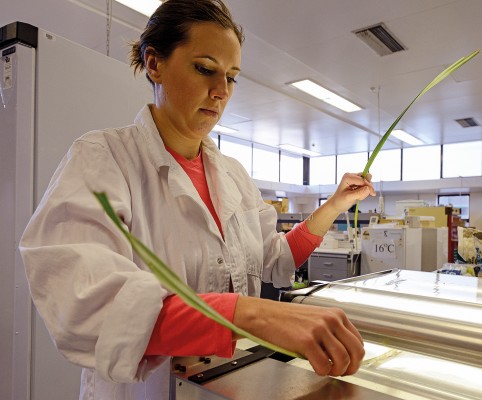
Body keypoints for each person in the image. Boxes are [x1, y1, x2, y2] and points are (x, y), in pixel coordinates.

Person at [19, 0, 376, 398]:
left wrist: (334, 206)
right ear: (154, 64)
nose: (221, 91)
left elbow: (274, 260)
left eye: (232, 76)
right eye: (205, 69)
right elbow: (85, 302)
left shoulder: (234, 175)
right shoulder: (103, 159)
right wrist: (249, 314)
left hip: (229, 384)